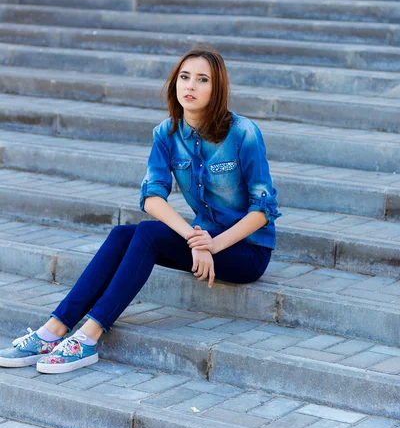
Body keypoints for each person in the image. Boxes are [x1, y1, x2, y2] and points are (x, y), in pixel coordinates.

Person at [0, 45, 281, 374]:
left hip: (246, 251)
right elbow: (152, 198)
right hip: (203, 237)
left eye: (202, 79)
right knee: (122, 234)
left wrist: (214, 245)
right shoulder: (166, 134)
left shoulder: (243, 133)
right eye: (184, 77)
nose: (190, 86)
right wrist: (195, 238)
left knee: (146, 233)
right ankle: (53, 330)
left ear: (216, 89)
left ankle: (89, 338)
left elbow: (264, 209)